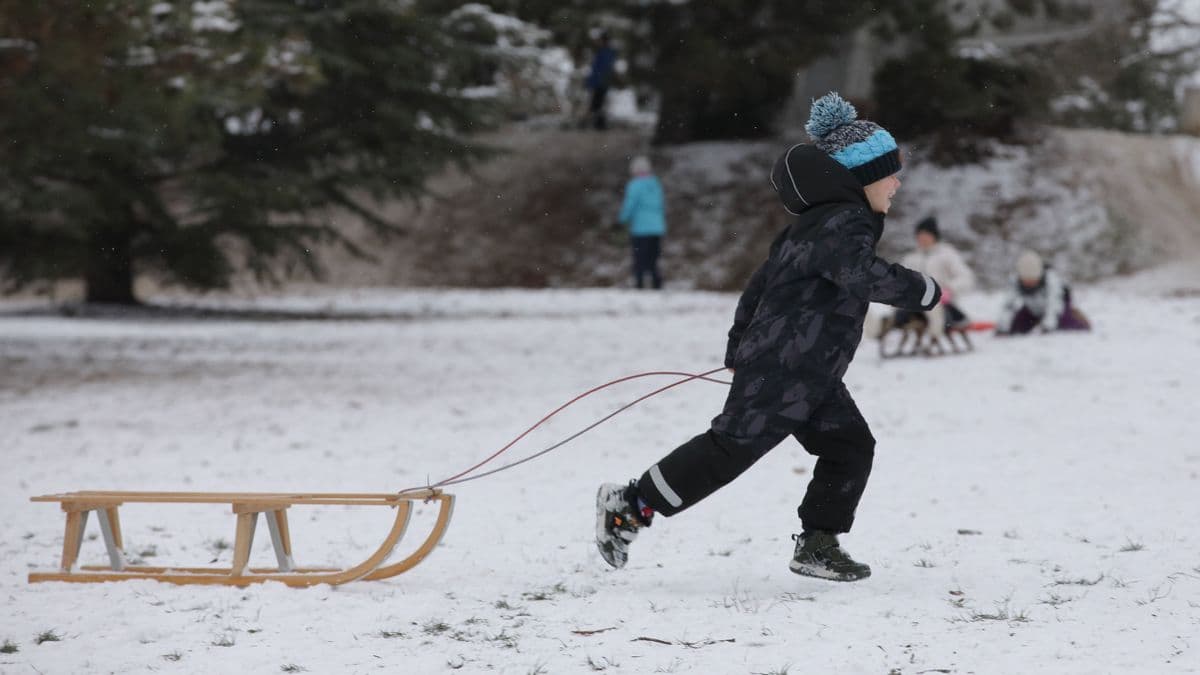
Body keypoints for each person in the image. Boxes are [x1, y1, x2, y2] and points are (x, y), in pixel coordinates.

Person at [595, 92, 942, 581]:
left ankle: (819, 543)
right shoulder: (844, 223)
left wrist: (739, 343)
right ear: (863, 177)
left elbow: (760, 285)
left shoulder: (814, 226)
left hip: (809, 368)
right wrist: (919, 289)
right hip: (787, 364)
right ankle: (629, 506)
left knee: (849, 446)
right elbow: (857, 272)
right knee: (731, 448)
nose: (897, 183)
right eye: (889, 172)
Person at [896, 216, 975, 331]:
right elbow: (900, 281)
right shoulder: (911, 258)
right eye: (920, 235)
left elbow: (966, 278)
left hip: (943, 306)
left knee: (934, 308)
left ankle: (934, 337)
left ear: (934, 235)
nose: (922, 238)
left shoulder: (947, 254)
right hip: (915, 306)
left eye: (926, 234)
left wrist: (949, 289)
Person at [995, 250, 1091, 335]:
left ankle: (1076, 316)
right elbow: (1008, 305)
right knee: (1016, 329)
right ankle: (1040, 320)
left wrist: (1048, 326)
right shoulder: (1015, 282)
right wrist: (1003, 326)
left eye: (1033, 279)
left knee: (1064, 326)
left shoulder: (1050, 279)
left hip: (1058, 308)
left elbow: (1054, 303)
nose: (1029, 283)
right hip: (1033, 309)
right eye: (1026, 280)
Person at [618, 156, 666, 289]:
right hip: (657, 228)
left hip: (641, 228)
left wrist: (622, 219)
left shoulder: (635, 185)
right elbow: (660, 205)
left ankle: (639, 284)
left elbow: (630, 205)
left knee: (639, 258)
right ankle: (657, 284)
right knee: (653, 258)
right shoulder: (655, 184)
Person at [585, 32, 617, 130]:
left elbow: (601, 69)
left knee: (597, 104)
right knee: (597, 104)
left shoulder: (605, 53)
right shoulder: (603, 52)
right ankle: (598, 124)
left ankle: (598, 124)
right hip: (600, 83)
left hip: (601, 83)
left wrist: (593, 81)